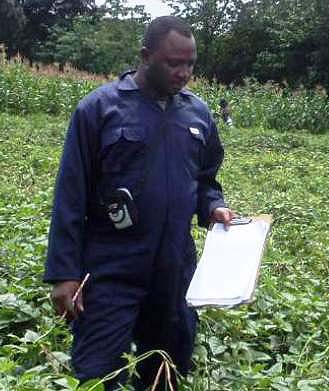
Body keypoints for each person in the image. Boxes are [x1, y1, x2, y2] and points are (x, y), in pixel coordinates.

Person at [44, 16, 234, 390]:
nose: (184, 73)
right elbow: (70, 194)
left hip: (174, 269)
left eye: (190, 63)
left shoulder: (198, 114)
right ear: (145, 56)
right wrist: (64, 274)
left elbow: (205, 179)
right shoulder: (99, 110)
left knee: (167, 371)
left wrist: (212, 204)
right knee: (96, 374)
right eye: (173, 63)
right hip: (110, 270)